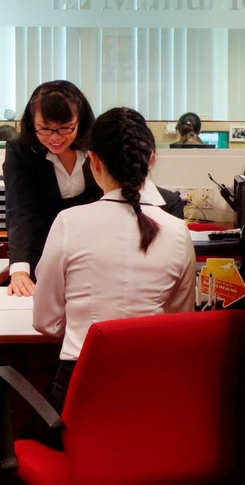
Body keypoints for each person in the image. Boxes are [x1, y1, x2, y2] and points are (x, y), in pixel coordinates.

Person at [33, 107, 196, 409]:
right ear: (150, 160)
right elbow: (178, 319)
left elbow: (46, 322)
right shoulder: (177, 231)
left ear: (93, 161)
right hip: (152, 393)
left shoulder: (69, 222)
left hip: (82, 390)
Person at [4, 81, 102, 297]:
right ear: (32, 122)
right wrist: (20, 271)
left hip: (94, 250)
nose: (55, 137)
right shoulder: (20, 150)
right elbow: (20, 210)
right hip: (42, 252)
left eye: (65, 127)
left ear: (80, 119)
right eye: (45, 128)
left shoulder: (97, 144)